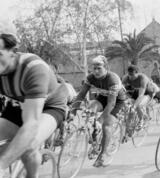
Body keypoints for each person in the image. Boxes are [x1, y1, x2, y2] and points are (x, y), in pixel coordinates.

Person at [0, 21, 69, 177]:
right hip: (18, 104)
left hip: (49, 106)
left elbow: (31, 124)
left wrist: (2, 165)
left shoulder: (34, 68)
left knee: (28, 145)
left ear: (13, 50)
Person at [73, 55, 126, 167]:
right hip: (102, 98)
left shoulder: (113, 79)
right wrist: (73, 110)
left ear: (106, 67)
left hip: (117, 101)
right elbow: (81, 94)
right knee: (89, 110)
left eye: (99, 68)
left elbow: (111, 103)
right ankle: (95, 139)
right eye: (94, 68)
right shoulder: (91, 77)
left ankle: (102, 155)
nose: (96, 71)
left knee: (105, 125)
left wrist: (100, 120)